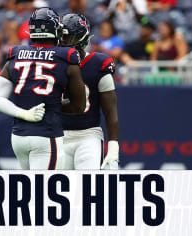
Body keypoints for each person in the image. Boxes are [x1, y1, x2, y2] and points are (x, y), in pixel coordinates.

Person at [0, 7, 86, 170]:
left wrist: (23, 113)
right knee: (44, 191)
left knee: (31, 189)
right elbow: (79, 105)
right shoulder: (66, 55)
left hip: (18, 136)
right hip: (46, 135)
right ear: (55, 30)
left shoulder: (16, 53)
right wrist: (53, 107)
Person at [61, 13, 120, 170]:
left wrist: (114, 146)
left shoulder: (98, 64)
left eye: (69, 38)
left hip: (88, 135)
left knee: (88, 187)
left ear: (82, 38)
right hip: (57, 135)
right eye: (62, 37)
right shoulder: (51, 62)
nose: (64, 42)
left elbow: (110, 110)